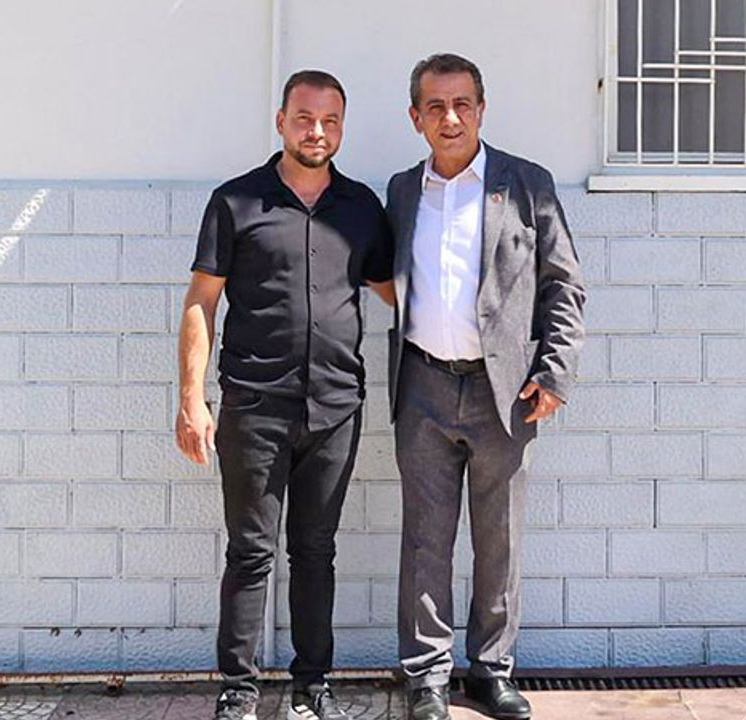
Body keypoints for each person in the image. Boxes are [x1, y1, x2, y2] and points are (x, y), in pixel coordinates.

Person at [176, 69, 394, 720]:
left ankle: (312, 685)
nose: (316, 131)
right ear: (281, 122)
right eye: (304, 118)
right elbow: (201, 302)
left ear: (342, 127)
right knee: (250, 552)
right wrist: (192, 398)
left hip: (336, 408)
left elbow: (398, 292)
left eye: (329, 121)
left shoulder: (362, 207)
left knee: (316, 552)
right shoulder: (236, 202)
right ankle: (238, 691)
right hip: (253, 406)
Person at [384, 53, 586, 720]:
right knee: (425, 540)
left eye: (462, 104)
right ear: (416, 117)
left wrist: (553, 372)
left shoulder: (525, 184)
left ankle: (491, 670)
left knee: (499, 539)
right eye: (436, 106)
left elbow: (563, 284)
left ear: (481, 109)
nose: (451, 118)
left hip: (504, 392)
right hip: (422, 386)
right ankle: (427, 677)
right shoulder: (401, 191)